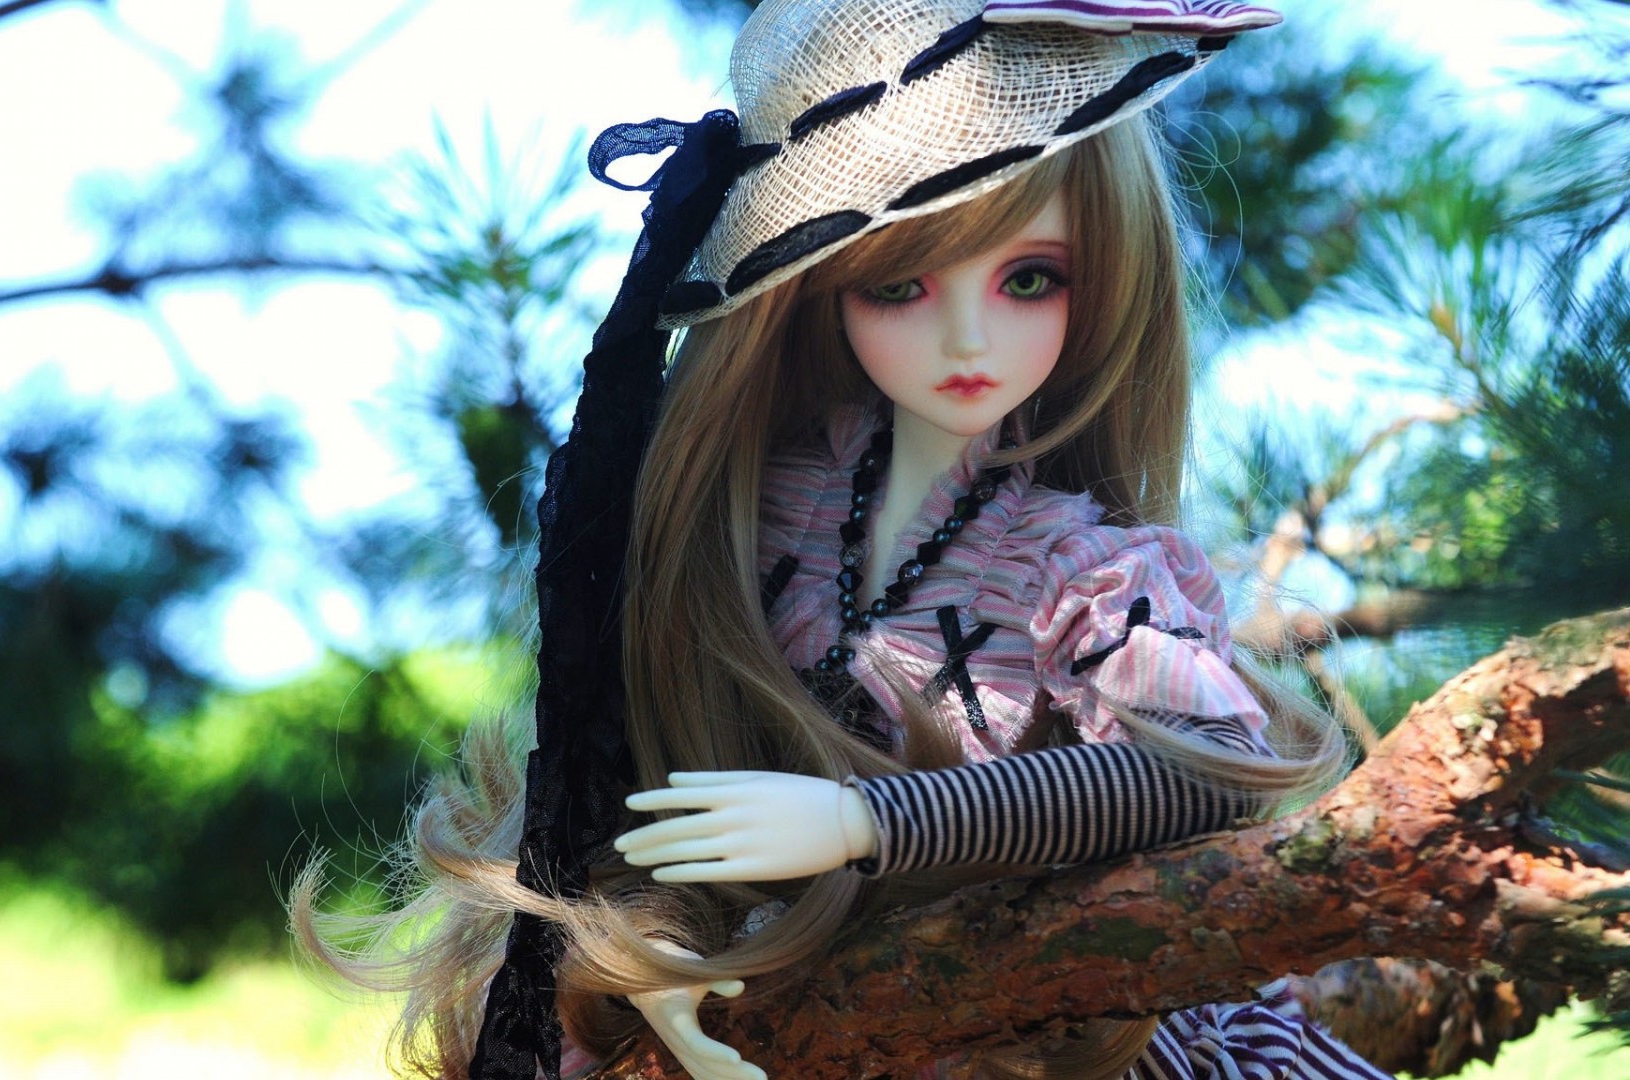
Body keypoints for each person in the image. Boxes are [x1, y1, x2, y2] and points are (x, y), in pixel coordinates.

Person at [296, 2, 1393, 1078]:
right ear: (822, 291)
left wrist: (870, 821)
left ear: (1105, 280)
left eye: (1030, 279)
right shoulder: (761, 508)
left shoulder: (1083, 571)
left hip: (1037, 1023)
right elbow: (642, 764)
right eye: (897, 285)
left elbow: (1209, 772)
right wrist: (663, 956)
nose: (967, 339)